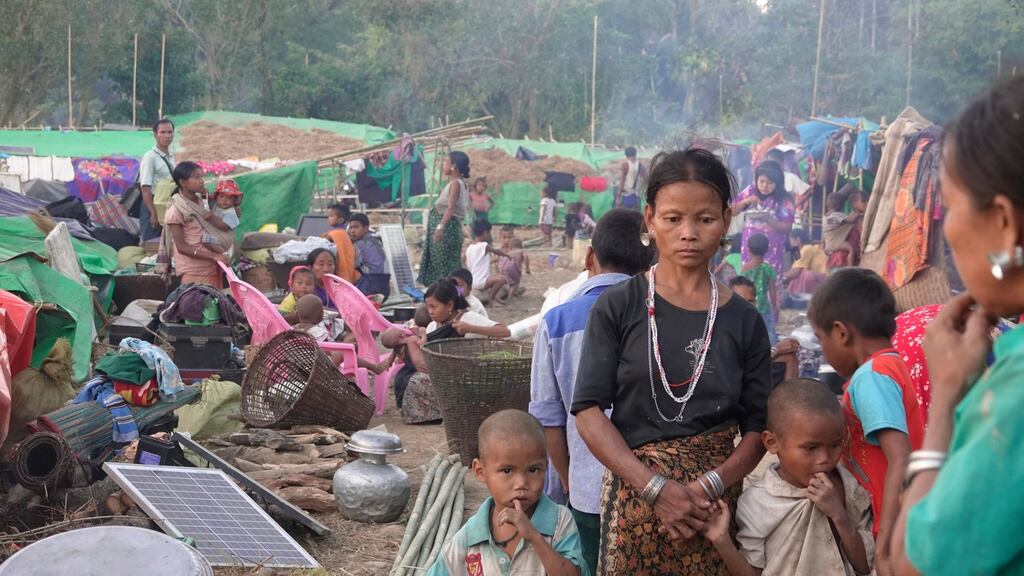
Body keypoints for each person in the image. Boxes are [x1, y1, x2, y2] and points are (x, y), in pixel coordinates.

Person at [572, 149, 772, 574]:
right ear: (649, 220)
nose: (689, 233)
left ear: (726, 219)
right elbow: (588, 411)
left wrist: (705, 488)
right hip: (635, 505)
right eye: (673, 218)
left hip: (711, 514)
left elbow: (758, 431)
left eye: (704, 219)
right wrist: (656, 489)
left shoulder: (744, 321)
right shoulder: (618, 307)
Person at [890, 77, 1024, 576]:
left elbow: (910, 565)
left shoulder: (1016, 389)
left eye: (947, 207)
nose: (943, 230)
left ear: (1004, 223)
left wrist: (946, 399)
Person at [529, 208, 656, 572]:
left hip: (586, 489)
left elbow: (549, 416)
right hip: (653, 485)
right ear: (651, 261)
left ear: (589, 257)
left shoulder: (557, 321)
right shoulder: (659, 315)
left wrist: (568, 482)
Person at [807, 268, 924, 575]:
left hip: (895, 530)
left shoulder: (871, 378)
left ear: (841, 333)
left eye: (821, 340)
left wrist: (885, 544)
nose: (824, 351)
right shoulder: (892, 365)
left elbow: (900, 458)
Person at [703, 379, 874, 576]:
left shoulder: (846, 484)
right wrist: (722, 541)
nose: (825, 459)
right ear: (772, 442)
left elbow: (864, 566)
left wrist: (838, 513)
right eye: (811, 448)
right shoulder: (757, 503)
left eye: (835, 445)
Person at [427, 409, 588, 576]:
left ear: (545, 467)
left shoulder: (559, 521)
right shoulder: (471, 536)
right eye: (507, 471)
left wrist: (534, 536)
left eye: (533, 470)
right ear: (480, 471)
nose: (522, 483)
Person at [388, 279, 509, 423]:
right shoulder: (433, 326)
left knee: (419, 381)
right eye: (428, 307)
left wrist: (470, 328)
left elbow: (504, 331)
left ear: (450, 305)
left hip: (466, 378)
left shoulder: (468, 318)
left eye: (434, 307)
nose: (430, 312)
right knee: (406, 377)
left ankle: (454, 411)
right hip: (443, 376)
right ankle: (434, 415)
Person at [158, 161, 231, 288]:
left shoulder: (202, 202)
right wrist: (214, 256)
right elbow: (182, 247)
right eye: (197, 177)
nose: (202, 181)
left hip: (212, 268)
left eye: (202, 176)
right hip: (195, 272)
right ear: (183, 183)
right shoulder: (176, 210)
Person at [730, 276, 800, 384]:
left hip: (751, 371)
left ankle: (789, 399)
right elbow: (740, 365)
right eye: (740, 300)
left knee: (789, 357)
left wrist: (785, 347)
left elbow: (757, 356)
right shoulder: (725, 324)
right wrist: (777, 349)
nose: (746, 306)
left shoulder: (753, 323)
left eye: (750, 301)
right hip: (734, 380)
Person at [732, 160, 795, 278]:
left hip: (772, 249)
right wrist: (747, 201)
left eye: (770, 183)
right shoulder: (751, 191)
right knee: (749, 279)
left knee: (770, 280)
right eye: (761, 181)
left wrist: (769, 220)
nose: (765, 186)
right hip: (750, 247)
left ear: (778, 183)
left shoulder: (783, 200)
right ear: (756, 179)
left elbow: (787, 227)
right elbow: (732, 210)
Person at [419, 152, 469, 286]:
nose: (443, 165)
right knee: (448, 266)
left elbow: (451, 208)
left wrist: (440, 227)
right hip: (451, 228)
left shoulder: (456, 184)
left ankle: (447, 297)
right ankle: (450, 296)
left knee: (442, 267)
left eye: (446, 162)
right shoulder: (459, 183)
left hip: (447, 229)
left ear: (454, 166)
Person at [139, 119, 176, 246]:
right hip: (153, 204)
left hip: (167, 205)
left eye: (170, 132)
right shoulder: (150, 157)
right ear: (155, 135)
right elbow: (145, 188)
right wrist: (153, 213)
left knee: (167, 246)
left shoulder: (171, 156)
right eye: (163, 132)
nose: (167, 136)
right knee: (152, 246)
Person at [741, 233, 779, 343]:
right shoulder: (768, 268)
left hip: (748, 306)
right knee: (768, 331)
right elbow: (772, 289)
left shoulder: (745, 268)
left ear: (749, 250)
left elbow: (741, 287)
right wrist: (774, 305)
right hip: (764, 307)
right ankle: (771, 350)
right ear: (766, 250)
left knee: (749, 331)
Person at [464, 219, 511, 305]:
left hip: (473, 281)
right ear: (485, 233)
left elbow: (466, 261)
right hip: (481, 282)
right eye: (490, 233)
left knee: (495, 277)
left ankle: (493, 296)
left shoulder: (470, 247)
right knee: (502, 279)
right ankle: (491, 299)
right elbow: (496, 251)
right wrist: (506, 255)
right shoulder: (484, 246)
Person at [823, 189, 867, 269]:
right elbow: (851, 220)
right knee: (851, 249)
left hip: (829, 243)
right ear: (841, 205)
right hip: (836, 242)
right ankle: (851, 268)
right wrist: (858, 213)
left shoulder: (826, 216)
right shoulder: (837, 215)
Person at [348, 213, 387, 295]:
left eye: (356, 227)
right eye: (351, 227)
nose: (352, 231)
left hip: (370, 285)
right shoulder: (376, 241)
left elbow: (353, 264)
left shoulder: (359, 245)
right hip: (384, 284)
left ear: (365, 228)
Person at [201, 179, 242, 258]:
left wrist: (212, 216)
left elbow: (224, 227)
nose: (225, 200)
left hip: (225, 241)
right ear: (216, 197)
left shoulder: (231, 212)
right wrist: (204, 195)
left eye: (229, 198)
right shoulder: (216, 204)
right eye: (221, 196)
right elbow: (207, 200)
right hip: (215, 236)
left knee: (206, 238)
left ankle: (223, 254)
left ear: (234, 200)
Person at [783, 228, 827, 296]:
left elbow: (795, 273)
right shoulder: (799, 251)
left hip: (824, 279)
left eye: (791, 240)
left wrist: (778, 276)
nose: (790, 243)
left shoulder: (807, 248)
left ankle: (799, 299)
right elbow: (794, 270)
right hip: (820, 278)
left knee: (804, 275)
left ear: (798, 240)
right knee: (799, 276)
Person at [323, 202, 357, 283]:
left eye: (331, 216)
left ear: (340, 220)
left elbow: (322, 242)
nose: (328, 218)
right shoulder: (344, 233)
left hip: (340, 275)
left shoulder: (336, 234)